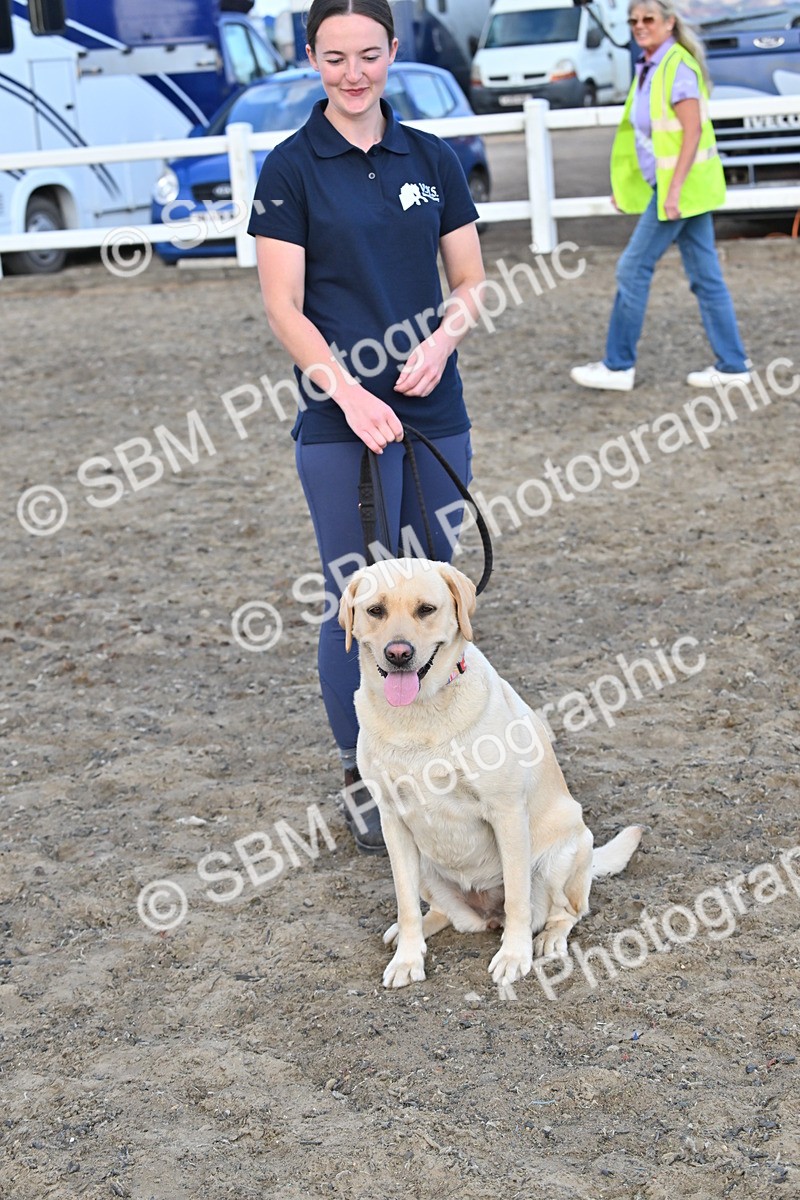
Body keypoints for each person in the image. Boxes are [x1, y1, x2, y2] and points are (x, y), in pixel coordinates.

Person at [247, 0, 486, 852]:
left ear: (393, 53)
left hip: (432, 406)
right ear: (312, 58)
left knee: (433, 594)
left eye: (370, 55)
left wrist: (443, 339)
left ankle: (438, 757)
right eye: (336, 57)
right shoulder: (289, 167)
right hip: (337, 413)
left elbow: (469, 280)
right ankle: (365, 773)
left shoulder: (433, 156)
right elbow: (283, 305)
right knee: (354, 600)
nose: (355, 73)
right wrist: (347, 394)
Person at [570, 0, 749, 394]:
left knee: (632, 268)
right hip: (681, 189)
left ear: (669, 23)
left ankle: (618, 365)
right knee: (706, 277)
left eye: (648, 18)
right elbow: (643, 138)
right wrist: (630, 187)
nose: (639, 25)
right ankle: (734, 364)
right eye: (633, 20)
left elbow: (692, 132)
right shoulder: (652, 65)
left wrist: (673, 190)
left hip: (679, 191)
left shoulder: (674, 65)